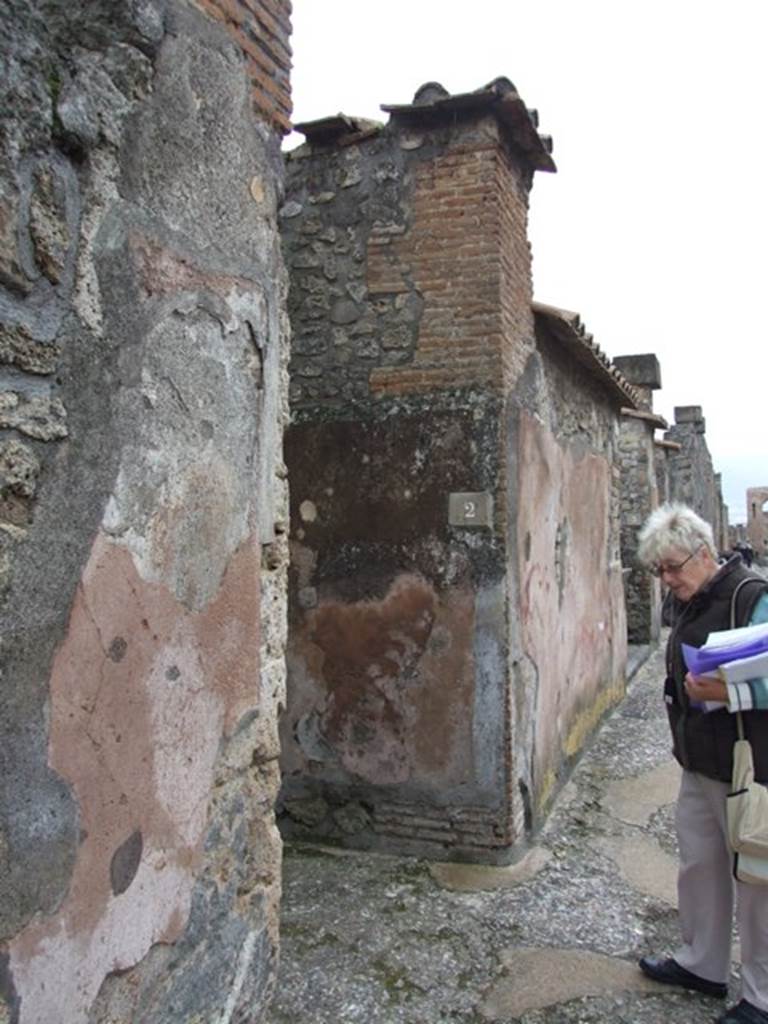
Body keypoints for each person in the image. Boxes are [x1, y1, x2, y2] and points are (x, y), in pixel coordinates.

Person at [637, 503, 768, 1024]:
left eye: (673, 567)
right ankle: (703, 965)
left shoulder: (751, 596)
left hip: (749, 766)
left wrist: (729, 689)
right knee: (699, 869)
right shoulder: (692, 599)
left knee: (757, 881)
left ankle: (760, 997)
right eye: (659, 571)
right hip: (699, 762)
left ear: (705, 552)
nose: (667, 580)